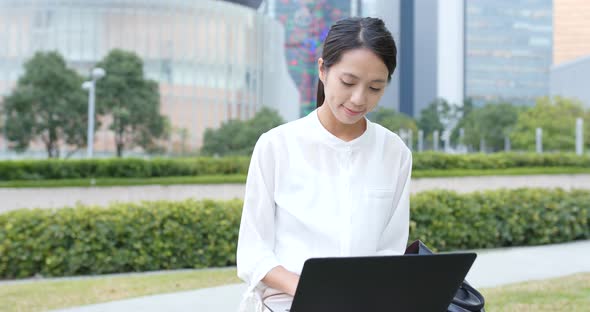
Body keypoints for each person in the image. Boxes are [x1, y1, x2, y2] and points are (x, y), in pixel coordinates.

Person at [236, 16, 412, 312]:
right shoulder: (277, 145)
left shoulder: (394, 152)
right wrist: (309, 289)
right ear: (322, 70)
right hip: (287, 304)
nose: (359, 99)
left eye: (375, 88)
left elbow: (390, 250)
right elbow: (253, 253)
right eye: (348, 82)